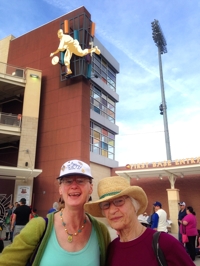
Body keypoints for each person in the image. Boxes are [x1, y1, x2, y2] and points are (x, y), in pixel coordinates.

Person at [0, 159, 110, 266]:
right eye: (68, 181)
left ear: (90, 188)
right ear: (60, 189)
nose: (74, 186)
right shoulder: (38, 227)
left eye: (81, 181)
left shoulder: (100, 231)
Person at [84, 176, 195, 265]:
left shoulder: (166, 244)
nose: (112, 210)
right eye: (106, 205)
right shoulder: (111, 249)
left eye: (119, 201)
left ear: (134, 205)